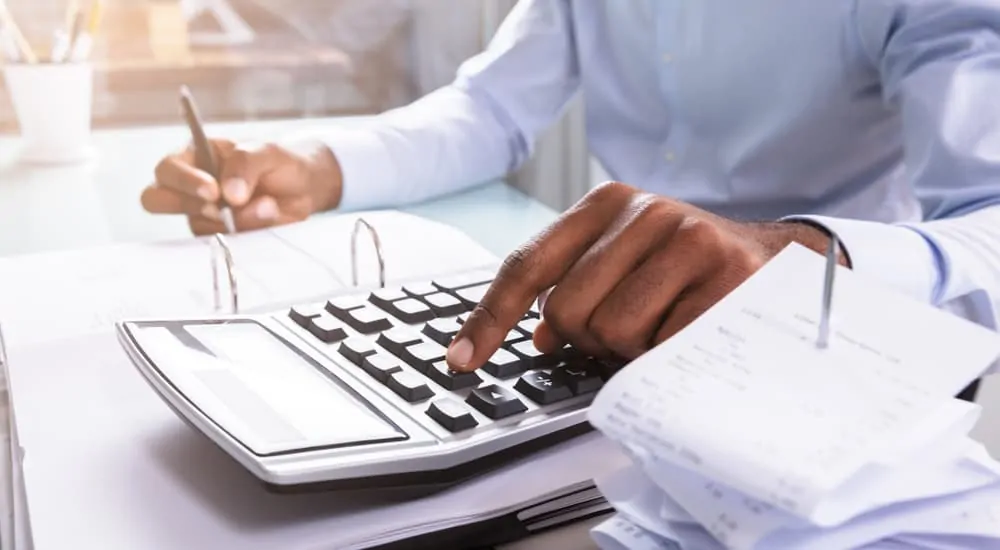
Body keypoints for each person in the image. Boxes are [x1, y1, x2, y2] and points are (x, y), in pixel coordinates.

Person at [142, 1, 1000, 395]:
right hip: (600, 331)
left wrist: (809, 259)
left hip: (833, 354)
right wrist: (320, 164)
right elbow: (491, 108)